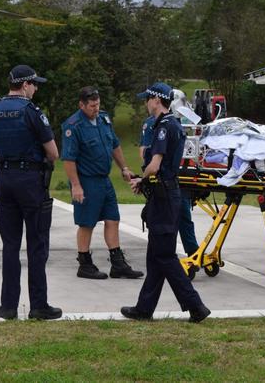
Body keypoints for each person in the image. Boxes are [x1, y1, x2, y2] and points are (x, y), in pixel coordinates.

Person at [122, 82, 210, 323]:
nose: (145, 103)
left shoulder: (163, 126)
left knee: (165, 257)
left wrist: (141, 178)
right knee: (155, 256)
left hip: (163, 196)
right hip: (166, 194)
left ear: (156, 100)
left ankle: (195, 305)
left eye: (147, 99)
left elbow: (155, 164)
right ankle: (144, 308)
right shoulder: (173, 124)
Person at [0, 64, 62, 320]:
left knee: (10, 245)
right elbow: (53, 153)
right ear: (25, 84)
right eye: (34, 84)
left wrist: (9, 160)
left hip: (4, 180)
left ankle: (8, 306)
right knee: (37, 244)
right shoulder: (32, 112)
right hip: (30, 181)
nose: (36, 88)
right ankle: (38, 306)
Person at [61, 87, 144, 280]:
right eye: (92, 106)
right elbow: (68, 159)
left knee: (112, 219)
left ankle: (117, 263)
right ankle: (84, 264)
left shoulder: (103, 119)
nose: (96, 109)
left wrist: (124, 168)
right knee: (87, 223)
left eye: (98, 104)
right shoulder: (73, 126)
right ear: (81, 105)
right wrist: (76, 185)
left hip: (104, 180)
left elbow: (114, 145)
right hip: (86, 180)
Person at [140, 113, 199, 256]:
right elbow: (145, 151)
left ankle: (190, 252)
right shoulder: (156, 124)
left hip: (177, 176)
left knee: (182, 217)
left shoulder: (173, 123)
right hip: (164, 180)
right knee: (173, 219)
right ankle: (170, 254)